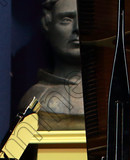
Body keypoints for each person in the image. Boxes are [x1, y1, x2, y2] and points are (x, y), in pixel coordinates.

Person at [18, 0, 84, 130]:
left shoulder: (116, 96)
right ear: (47, 24)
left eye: (85, 19)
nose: (77, 28)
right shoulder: (35, 100)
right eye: (66, 19)